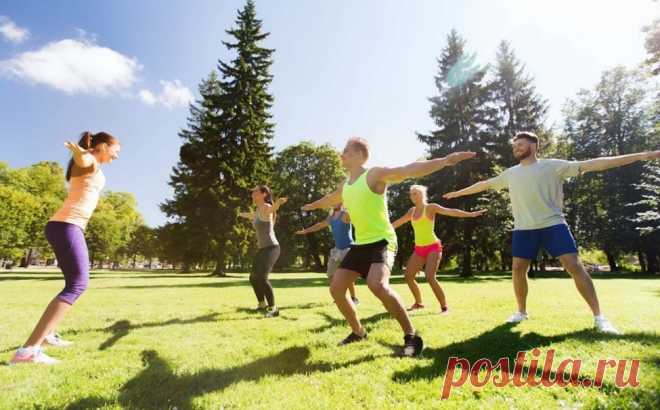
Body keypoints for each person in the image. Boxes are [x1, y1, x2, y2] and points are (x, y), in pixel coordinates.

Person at [443, 131, 660, 334]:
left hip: (553, 225)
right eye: (515, 146)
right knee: (518, 269)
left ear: (533, 145)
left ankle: (599, 318)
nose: (517, 148)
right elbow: (484, 184)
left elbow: (595, 164)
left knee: (574, 266)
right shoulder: (510, 174)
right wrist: (458, 193)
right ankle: (521, 312)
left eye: (521, 144)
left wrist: (642, 155)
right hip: (524, 229)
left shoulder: (553, 166)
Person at [302, 137, 475, 356]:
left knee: (378, 285)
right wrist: (310, 206)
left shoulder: (373, 174)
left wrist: (446, 160)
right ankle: (358, 331)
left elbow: (407, 170)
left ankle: (411, 335)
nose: (341, 154)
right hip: (360, 243)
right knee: (336, 288)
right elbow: (329, 199)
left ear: (358, 154)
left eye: (345, 150)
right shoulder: (345, 185)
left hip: (382, 240)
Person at [11, 132, 121, 365]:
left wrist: (84, 156)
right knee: (78, 284)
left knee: (74, 283)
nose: (117, 155)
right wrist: (82, 155)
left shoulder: (91, 165)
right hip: (67, 226)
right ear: (102, 146)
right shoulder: (88, 162)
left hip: (65, 226)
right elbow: (85, 161)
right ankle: (28, 351)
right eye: (115, 150)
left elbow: (86, 162)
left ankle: (47, 335)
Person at [391, 184, 486, 313]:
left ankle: (444, 307)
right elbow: (398, 222)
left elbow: (451, 211)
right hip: (419, 249)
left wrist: (471, 214)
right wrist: (383, 230)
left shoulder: (431, 208)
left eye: (415, 193)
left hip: (433, 247)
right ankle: (418, 303)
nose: (412, 196)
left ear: (422, 194)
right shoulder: (411, 211)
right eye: (411, 194)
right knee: (408, 276)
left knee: (430, 276)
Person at [295, 204, 359, 304]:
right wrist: (306, 231)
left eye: (334, 201)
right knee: (330, 274)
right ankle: (339, 297)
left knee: (347, 276)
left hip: (348, 249)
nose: (331, 203)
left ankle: (353, 298)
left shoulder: (345, 213)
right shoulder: (331, 216)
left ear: (340, 202)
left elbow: (358, 218)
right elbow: (320, 225)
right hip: (336, 250)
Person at [239, 186, 287, 318]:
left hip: (272, 247)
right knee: (253, 277)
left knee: (262, 277)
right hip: (263, 249)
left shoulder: (266, 207)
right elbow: (252, 215)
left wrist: (278, 203)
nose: (252, 193)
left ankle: (273, 308)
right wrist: (239, 214)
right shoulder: (258, 210)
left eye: (255, 191)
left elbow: (273, 209)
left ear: (264, 194)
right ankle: (262, 304)